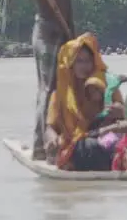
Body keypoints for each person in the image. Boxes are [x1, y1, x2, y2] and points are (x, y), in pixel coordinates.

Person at [25, 0, 74, 161]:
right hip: (45, 30)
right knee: (47, 88)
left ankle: (60, 140)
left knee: (62, 86)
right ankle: (39, 146)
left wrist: (73, 34)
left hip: (64, 30)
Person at [43, 33, 115, 171]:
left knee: (94, 146)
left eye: (88, 61)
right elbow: (50, 127)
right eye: (79, 61)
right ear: (70, 64)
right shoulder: (58, 95)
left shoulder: (106, 87)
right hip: (73, 146)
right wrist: (52, 139)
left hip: (104, 142)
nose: (84, 66)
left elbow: (124, 117)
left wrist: (118, 111)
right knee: (86, 147)